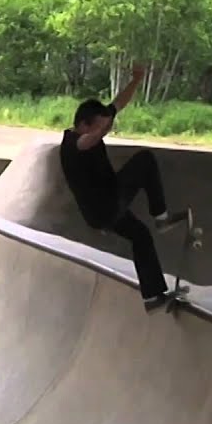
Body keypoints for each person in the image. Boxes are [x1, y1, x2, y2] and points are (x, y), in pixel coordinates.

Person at [59, 65, 188, 312]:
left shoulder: (92, 124)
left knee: (141, 236)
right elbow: (87, 141)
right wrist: (100, 130)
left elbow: (119, 103)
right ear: (83, 125)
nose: (104, 131)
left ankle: (152, 296)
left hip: (106, 208)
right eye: (98, 128)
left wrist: (137, 79)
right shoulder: (74, 143)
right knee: (144, 160)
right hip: (106, 205)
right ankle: (161, 217)